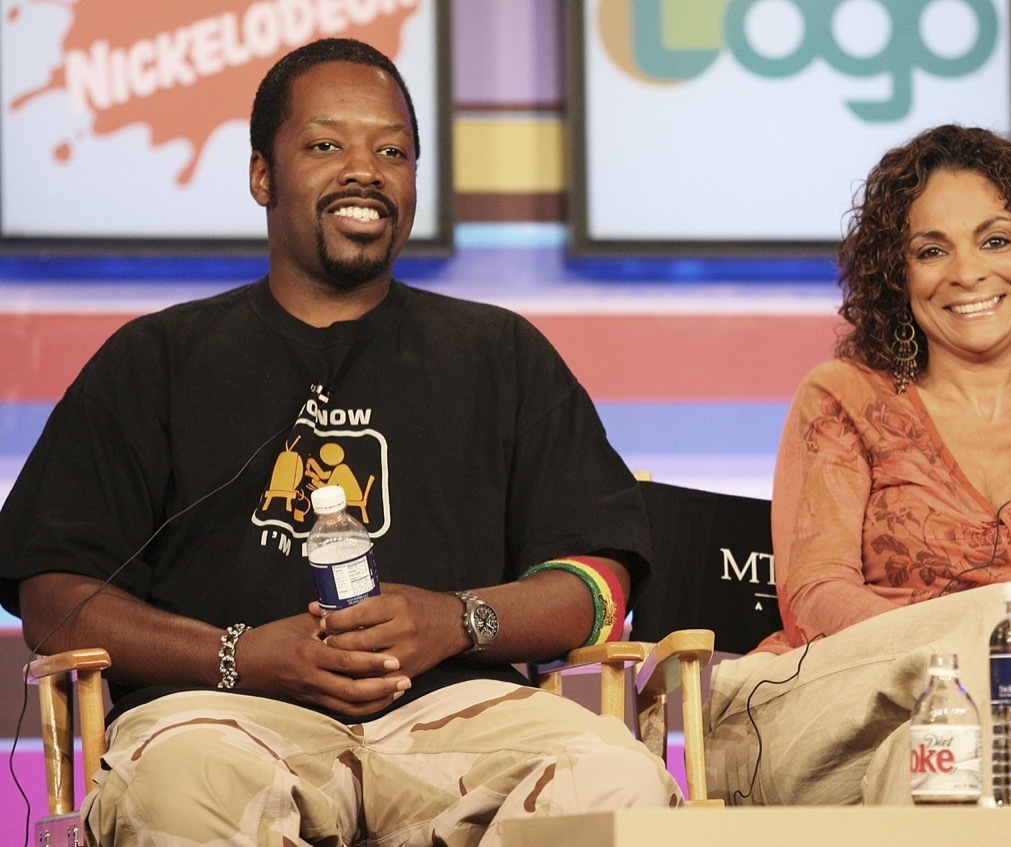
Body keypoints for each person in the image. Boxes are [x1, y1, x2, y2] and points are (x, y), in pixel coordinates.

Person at [0, 38, 680, 846]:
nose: (365, 169)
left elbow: (596, 582)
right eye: (326, 145)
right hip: (222, 717)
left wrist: (457, 620)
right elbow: (55, 598)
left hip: (455, 713)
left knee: (619, 776)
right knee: (180, 790)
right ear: (262, 175)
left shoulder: (499, 352)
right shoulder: (158, 358)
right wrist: (242, 655)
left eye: (392, 151)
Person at [704, 124, 1011, 806]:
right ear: (899, 275)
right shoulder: (841, 395)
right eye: (931, 250)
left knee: (969, 735)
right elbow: (817, 597)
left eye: (995, 239)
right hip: (833, 715)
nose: (967, 272)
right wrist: (992, 633)